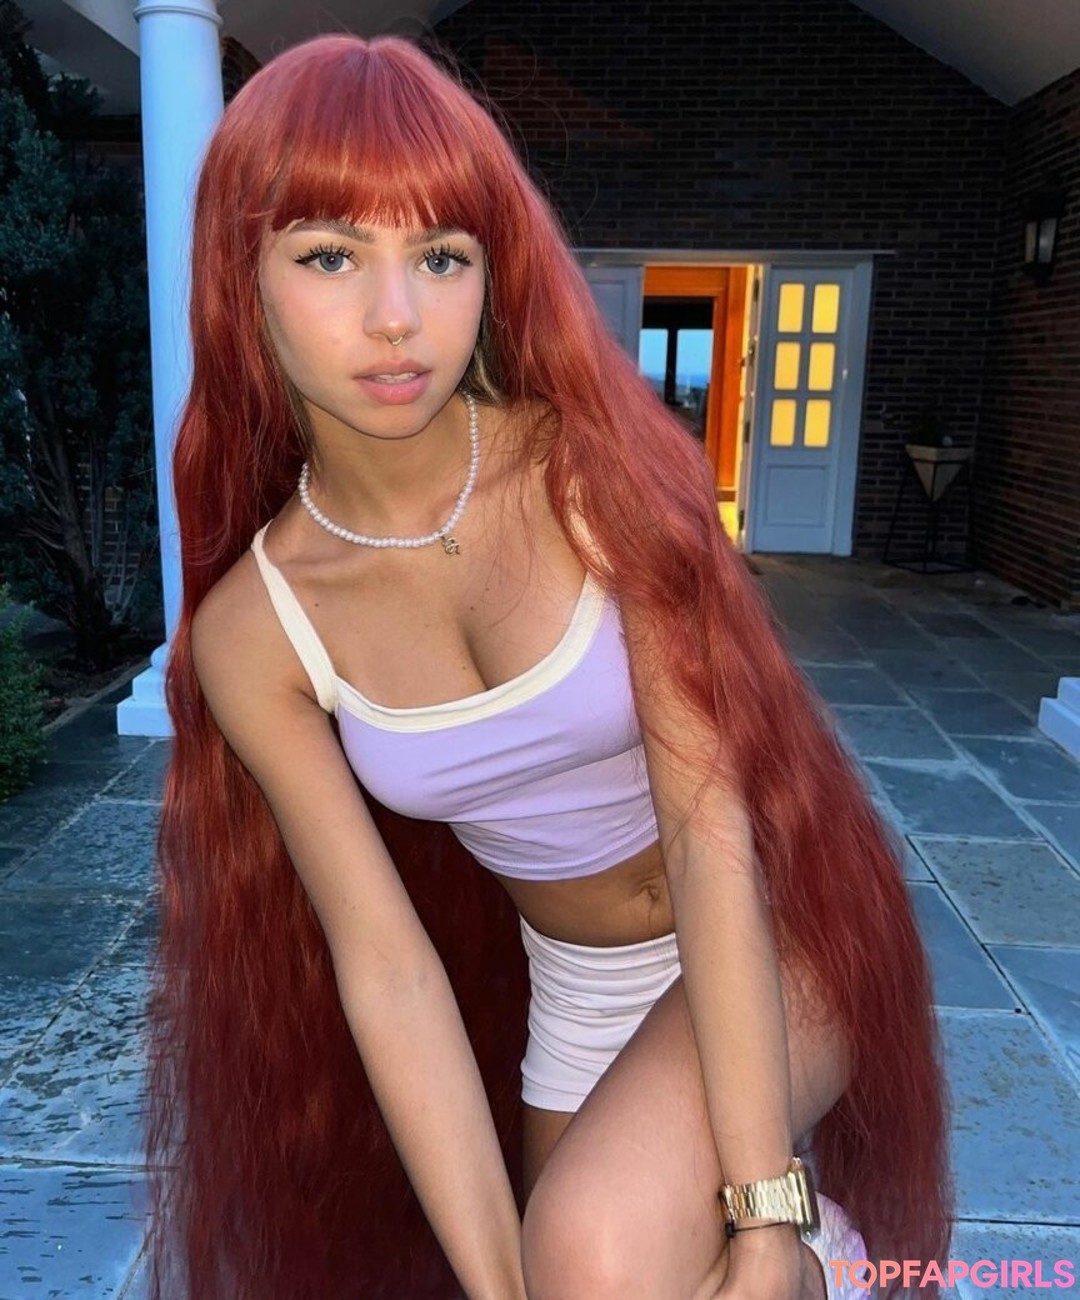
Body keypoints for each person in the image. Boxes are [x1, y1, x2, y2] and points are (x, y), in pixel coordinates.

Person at [147, 33, 951, 1300]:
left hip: (776, 927)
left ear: (489, 270)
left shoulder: (593, 472)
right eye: (330, 255)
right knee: (558, 1275)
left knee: (606, 1252)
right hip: (578, 991)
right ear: (238, 278)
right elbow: (388, 965)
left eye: (441, 255)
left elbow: (709, 831)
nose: (397, 315)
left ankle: (819, 1262)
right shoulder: (258, 630)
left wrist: (763, 1214)